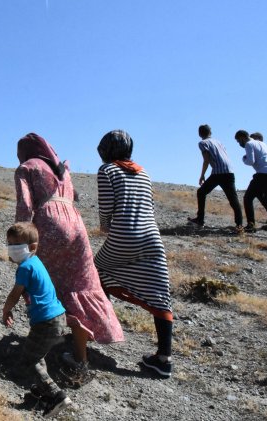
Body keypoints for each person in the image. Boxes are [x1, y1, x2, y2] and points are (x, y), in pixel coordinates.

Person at [15, 133, 124, 371]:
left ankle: (44, 345)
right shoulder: (62, 170)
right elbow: (73, 198)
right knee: (82, 285)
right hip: (76, 225)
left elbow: (24, 207)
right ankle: (80, 352)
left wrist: (20, 241)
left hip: (49, 226)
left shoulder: (26, 167)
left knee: (47, 286)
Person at [95, 130, 173, 378]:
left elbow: (107, 207)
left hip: (123, 237)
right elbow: (148, 206)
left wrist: (105, 227)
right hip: (152, 239)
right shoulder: (144, 172)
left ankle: (99, 328)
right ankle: (163, 360)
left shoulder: (107, 171)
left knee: (94, 272)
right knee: (160, 295)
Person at [2, 222, 72, 419]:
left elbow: (15, 294)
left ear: (32, 247)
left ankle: (56, 395)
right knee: (38, 354)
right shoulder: (36, 262)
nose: (11, 249)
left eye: (16, 246)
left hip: (46, 322)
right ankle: (41, 392)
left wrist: (6, 310)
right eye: (9, 244)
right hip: (58, 318)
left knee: (30, 358)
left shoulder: (25, 267)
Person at [188, 124, 243, 231]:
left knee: (201, 192)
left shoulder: (203, 143)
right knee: (233, 198)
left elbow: (206, 160)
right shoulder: (218, 142)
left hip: (218, 172)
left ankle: (200, 220)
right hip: (229, 171)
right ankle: (239, 225)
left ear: (199, 134)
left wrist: (202, 174)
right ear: (210, 132)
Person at [235, 130, 267, 231]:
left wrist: (244, 158)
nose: (239, 144)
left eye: (238, 141)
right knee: (266, 197)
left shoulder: (249, 144)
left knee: (248, 198)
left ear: (242, 137)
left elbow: (251, 161)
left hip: (262, 175)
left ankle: (251, 225)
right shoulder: (263, 143)